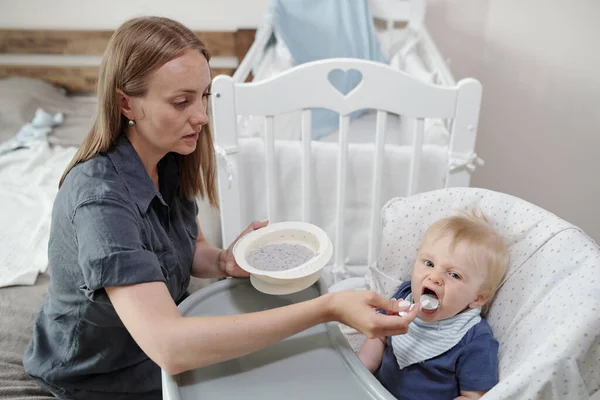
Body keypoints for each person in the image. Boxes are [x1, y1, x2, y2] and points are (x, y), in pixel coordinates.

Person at [23, 16, 420, 400]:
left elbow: (186, 249)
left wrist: (225, 261)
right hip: (103, 373)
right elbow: (170, 347)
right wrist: (327, 309)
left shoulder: (168, 158)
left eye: (204, 96)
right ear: (126, 104)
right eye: (181, 101)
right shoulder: (101, 201)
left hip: (155, 346)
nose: (201, 117)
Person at [358, 211, 509, 400]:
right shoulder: (404, 296)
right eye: (429, 263)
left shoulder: (474, 339)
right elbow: (379, 337)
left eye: (454, 275)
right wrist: (360, 371)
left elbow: (473, 396)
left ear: (477, 298)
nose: (435, 277)